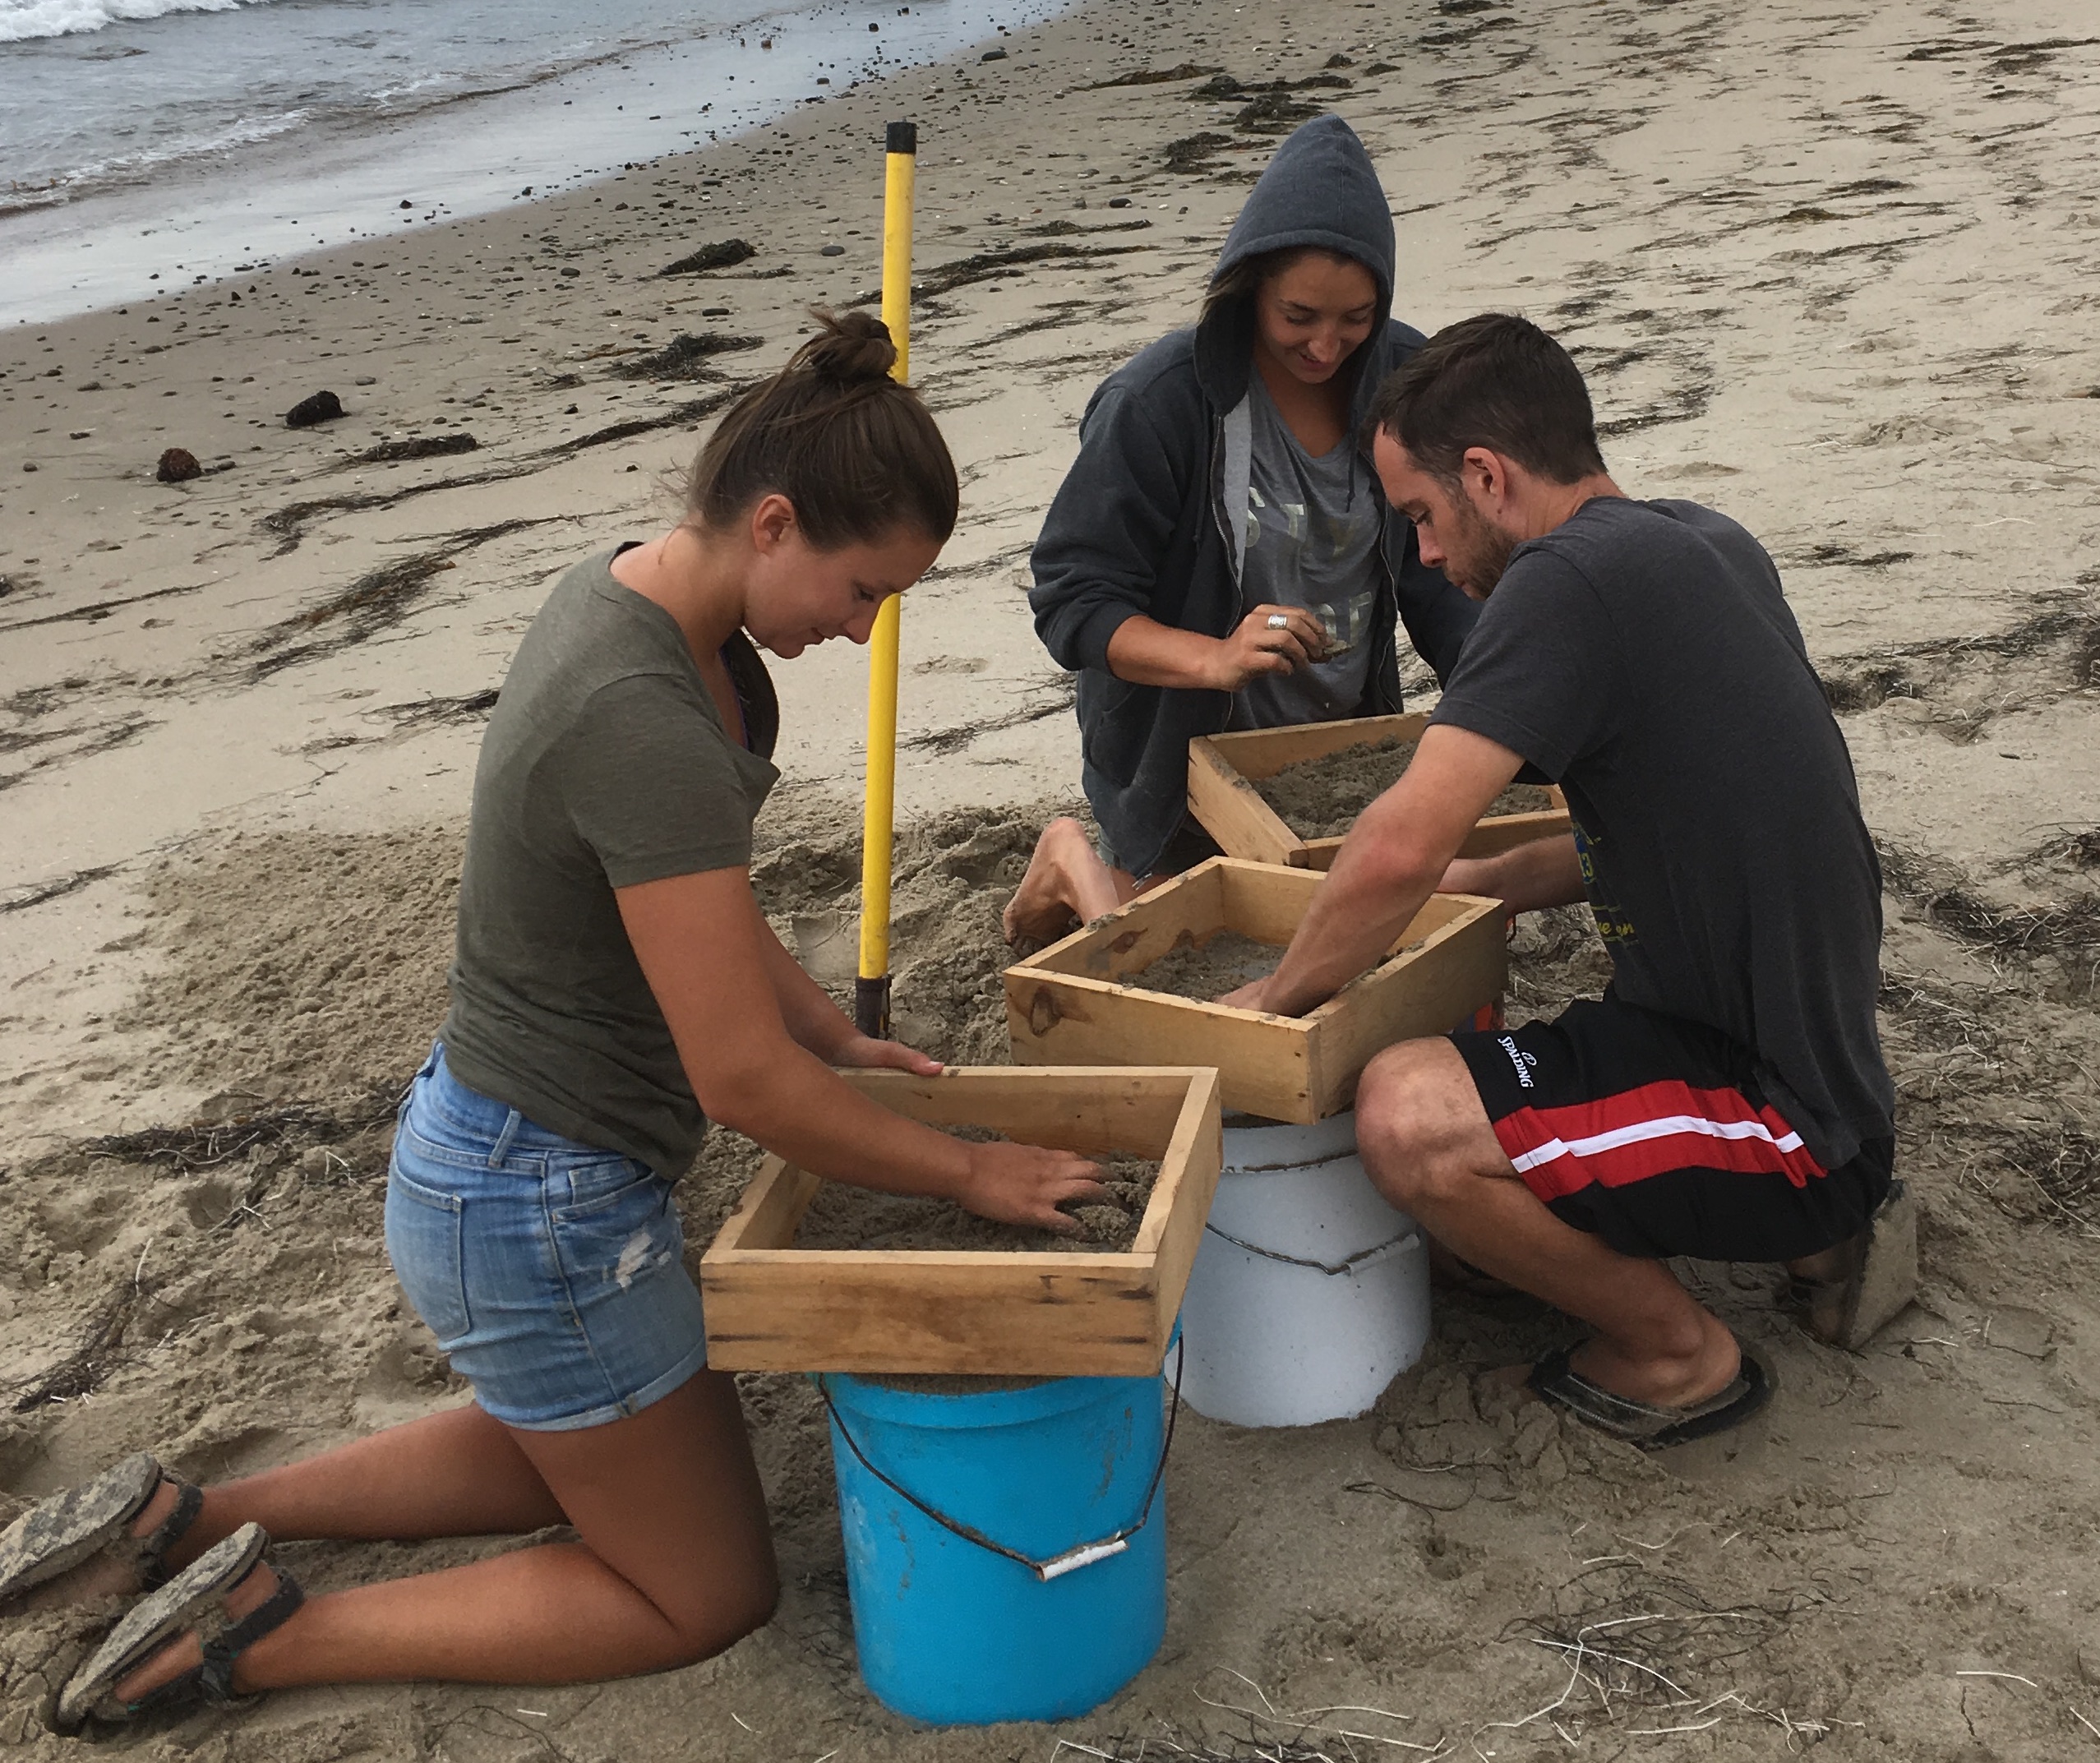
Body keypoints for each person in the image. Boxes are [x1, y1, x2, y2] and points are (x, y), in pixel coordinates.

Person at [0, 313, 1110, 1728]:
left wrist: (836, 1037)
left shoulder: (643, 607)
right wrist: (969, 1168)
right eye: (861, 586)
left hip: (504, 1157)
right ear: (773, 522)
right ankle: (264, 1636)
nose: (861, 626)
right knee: (704, 1590)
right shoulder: (637, 710)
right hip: (536, 1206)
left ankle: (194, 1520)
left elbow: (701, 908)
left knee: (595, 1443)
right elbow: (740, 1083)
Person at [1220, 313, 1906, 1449]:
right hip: (1808, 1078)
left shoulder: (1566, 583)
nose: (1428, 558)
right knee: (1458, 1210)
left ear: (1485, 476)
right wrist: (1491, 884)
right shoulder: (1701, 542)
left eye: (1423, 518)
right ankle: (1813, 1241)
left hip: (1779, 1115)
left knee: (1405, 1118)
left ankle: (1677, 1353)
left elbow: (1398, 846)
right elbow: (1673, 822)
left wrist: (1276, 1000)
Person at [1003, 114, 1479, 945]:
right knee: (1161, 955)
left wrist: (1496, 702)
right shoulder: (1158, 404)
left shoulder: (1412, 382)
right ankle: (1069, 857)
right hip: (1179, 762)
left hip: (1335, 747)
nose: (1326, 346)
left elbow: (1448, 575)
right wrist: (1213, 657)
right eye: (1298, 315)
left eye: (1356, 318)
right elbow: (1072, 602)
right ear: (1250, 284)